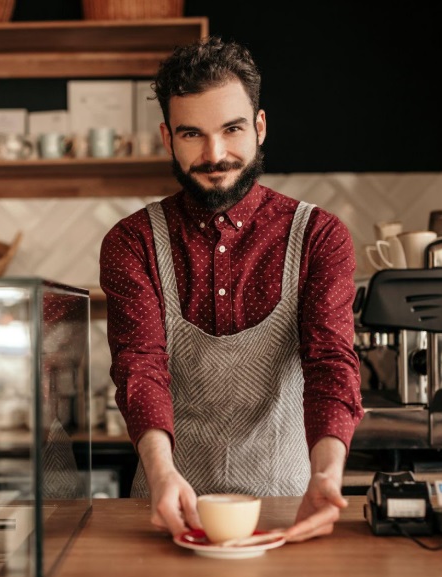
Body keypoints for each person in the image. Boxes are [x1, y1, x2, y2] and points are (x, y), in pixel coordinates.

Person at [99, 36, 364, 543]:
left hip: (288, 506)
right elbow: (139, 367)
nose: (214, 154)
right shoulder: (131, 242)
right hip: (167, 503)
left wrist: (327, 476)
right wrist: (160, 473)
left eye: (232, 129)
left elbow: (331, 364)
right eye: (192, 134)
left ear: (260, 127)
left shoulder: (320, 235)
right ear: (166, 137)